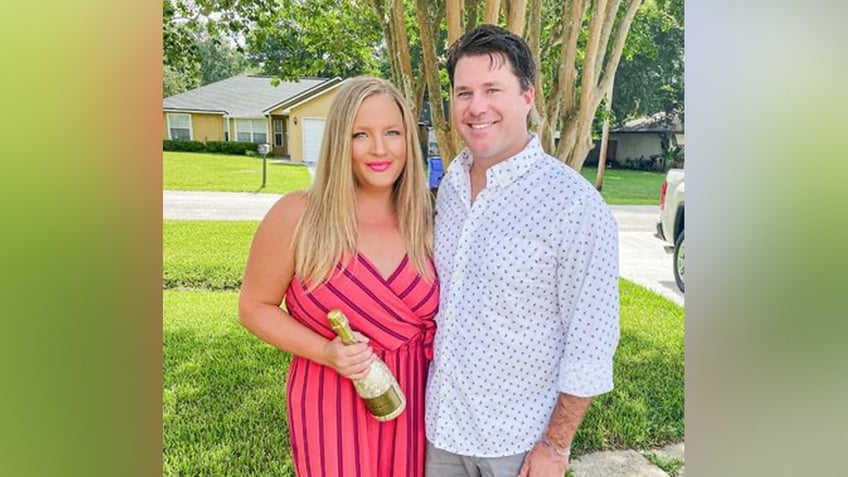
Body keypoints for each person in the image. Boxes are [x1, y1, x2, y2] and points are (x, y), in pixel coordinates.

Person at [424, 24, 620, 477]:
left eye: (493, 89)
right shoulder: (450, 185)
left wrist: (555, 445)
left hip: (518, 445)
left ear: (527, 97)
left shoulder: (573, 204)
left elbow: (591, 340)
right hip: (441, 431)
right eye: (464, 92)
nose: (476, 107)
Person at [239, 76, 439, 477]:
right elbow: (254, 307)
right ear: (338, 142)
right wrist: (327, 352)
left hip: (414, 399)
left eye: (393, 133)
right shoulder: (299, 214)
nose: (380, 149)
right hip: (328, 396)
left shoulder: (428, 218)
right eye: (360, 134)